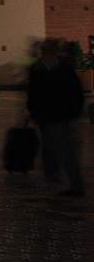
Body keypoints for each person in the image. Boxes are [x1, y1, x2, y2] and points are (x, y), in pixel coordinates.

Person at [27, 39, 86, 197]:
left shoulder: (60, 68)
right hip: (50, 116)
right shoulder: (39, 69)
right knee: (51, 147)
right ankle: (54, 177)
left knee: (66, 151)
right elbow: (33, 94)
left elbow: (76, 93)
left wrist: (74, 113)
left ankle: (75, 185)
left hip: (61, 116)